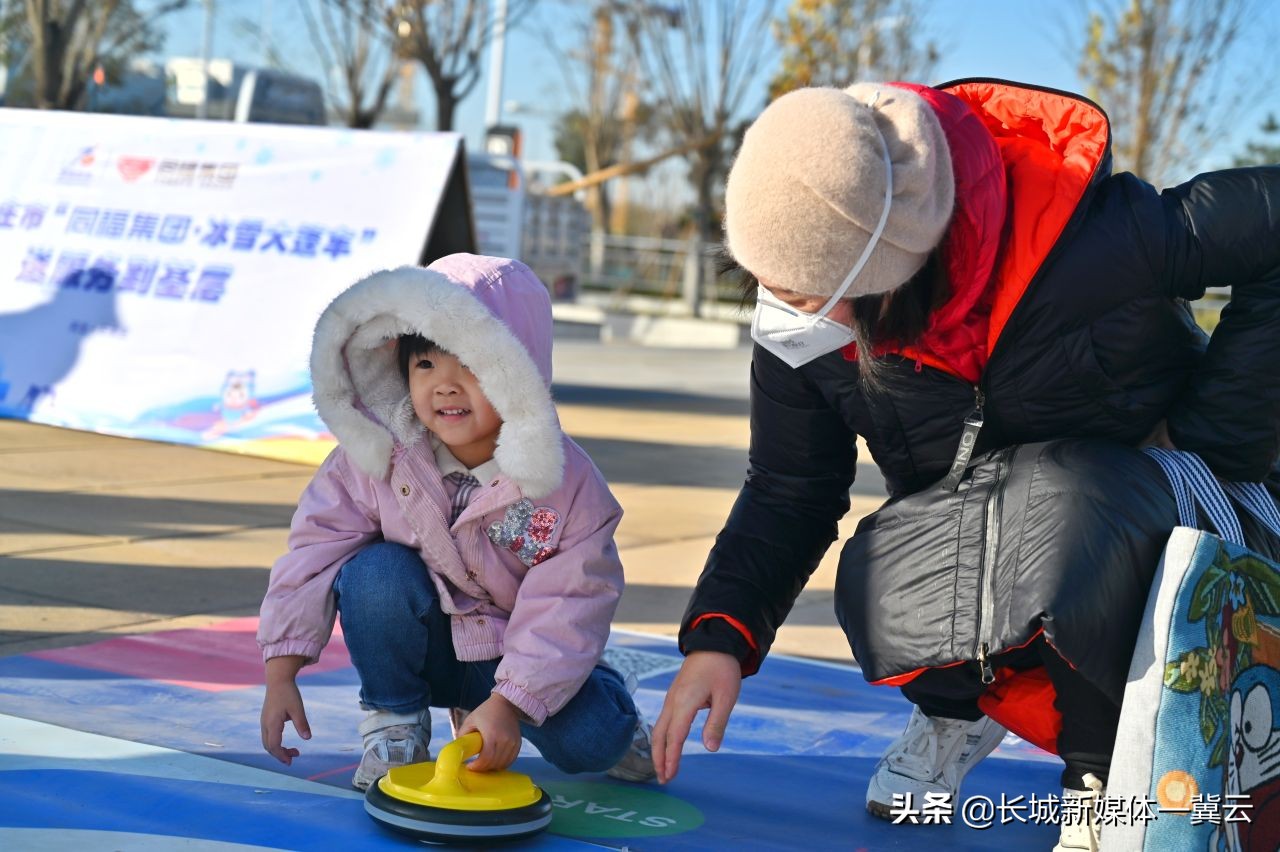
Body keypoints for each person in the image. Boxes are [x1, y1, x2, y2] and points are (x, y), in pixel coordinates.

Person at [651, 79, 1280, 851]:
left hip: (1175, 509)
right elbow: (791, 489)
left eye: (813, 295)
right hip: (1018, 523)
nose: (791, 313)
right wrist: (722, 638)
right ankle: (959, 709)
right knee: (883, 568)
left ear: (892, 271)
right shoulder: (802, 319)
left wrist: (1213, 438)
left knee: (1062, 508)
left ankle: (1106, 778)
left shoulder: (1090, 240)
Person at [257, 253, 654, 789]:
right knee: (374, 571)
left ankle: (610, 706)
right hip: (432, 646)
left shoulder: (564, 484)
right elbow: (314, 549)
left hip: (518, 654)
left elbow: (572, 600)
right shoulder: (376, 456)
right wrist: (281, 668)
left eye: (469, 366)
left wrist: (510, 704)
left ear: (518, 374)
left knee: (589, 744)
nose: (444, 386)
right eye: (425, 365)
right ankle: (394, 726)